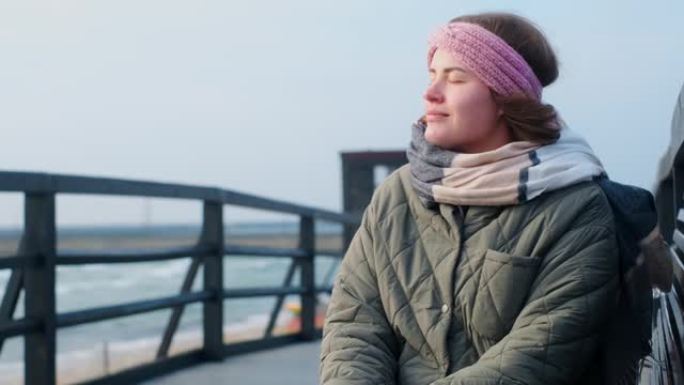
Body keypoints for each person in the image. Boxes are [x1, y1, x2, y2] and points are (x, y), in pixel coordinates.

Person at [320, 12, 671, 385]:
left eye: (455, 78)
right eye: (432, 74)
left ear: (506, 97)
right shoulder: (397, 194)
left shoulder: (576, 207)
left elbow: (538, 356)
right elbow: (355, 323)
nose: (431, 92)